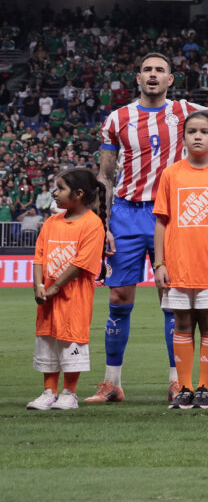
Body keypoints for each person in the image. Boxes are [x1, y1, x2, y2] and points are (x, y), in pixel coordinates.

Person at [87, 53, 205, 403]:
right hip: (126, 213)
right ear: (138, 78)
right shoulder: (117, 118)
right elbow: (105, 177)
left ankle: (177, 380)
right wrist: (103, 224)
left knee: (173, 299)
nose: (153, 75)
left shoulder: (187, 113)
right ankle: (112, 383)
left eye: (160, 71)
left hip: (170, 214)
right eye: (147, 70)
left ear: (171, 79)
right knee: (119, 298)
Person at [152, 112, 208, 410]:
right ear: (184, 137)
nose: (198, 136)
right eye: (192, 131)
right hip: (178, 264)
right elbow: (162, 222)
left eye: (205, 131)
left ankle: (205, 386)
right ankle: (185, 387)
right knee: (182, 321)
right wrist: (159, 263)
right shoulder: (171, 174)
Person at [27, 168, 106, 411]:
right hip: (48, 299)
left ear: (79, 194)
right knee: (48, 341)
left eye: (61, 188)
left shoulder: (93, 225)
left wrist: (56, 287)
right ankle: (48, 392)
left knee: (71, 341)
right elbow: (39, 257)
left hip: (74, 299)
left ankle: (69, 393)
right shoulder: (51, 223)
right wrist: (40, 287)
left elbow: (81, 263)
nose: (55, 193)